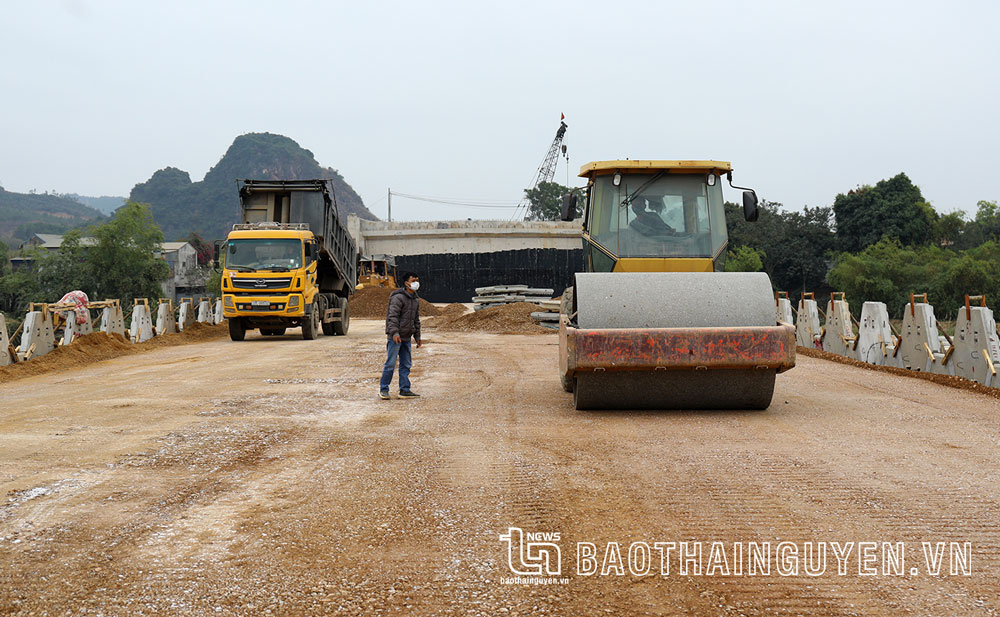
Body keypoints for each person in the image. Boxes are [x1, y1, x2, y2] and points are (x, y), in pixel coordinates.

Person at [379, 272, 422, 399]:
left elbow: (416, 320)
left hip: (407, 338)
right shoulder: (398, 298)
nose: (416, 283)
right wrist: (394, 333)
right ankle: (384, 389)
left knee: (406, 364)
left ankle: (404, 389)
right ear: (406, 283)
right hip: (395, 338)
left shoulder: (415, 300)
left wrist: (417, 337)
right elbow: (392, 317)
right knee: (390, 364)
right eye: (413, 280)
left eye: (417, 280)